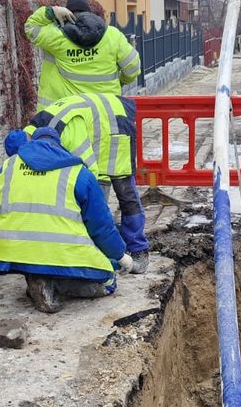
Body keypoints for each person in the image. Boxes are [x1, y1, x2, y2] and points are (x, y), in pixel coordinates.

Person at [0, 128, 133, 313]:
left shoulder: (8, 166)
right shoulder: (78, 172)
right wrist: (120, 255)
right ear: (59, 145)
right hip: (60, 250)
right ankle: (57, 285)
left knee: (38, 259)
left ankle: (39, 278)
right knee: (109, 280)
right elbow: (101, 227)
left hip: (9, 251)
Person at [27, 94, 150, 273]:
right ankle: (105, 244)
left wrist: (97, 212)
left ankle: (138, 249)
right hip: (96, 125)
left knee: (123, 188)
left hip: (116, 122)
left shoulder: (67, 131)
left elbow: (88, 173)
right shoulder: (36, 131)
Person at [24, 0, 142, 110]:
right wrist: (120, 82)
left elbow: (31, 26)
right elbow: (133, 67)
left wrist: (52, 11)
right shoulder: (113, 35)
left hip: (66, 116)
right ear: (90, 14)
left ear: (66, 14)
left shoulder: (56, 36)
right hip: (106, 111)